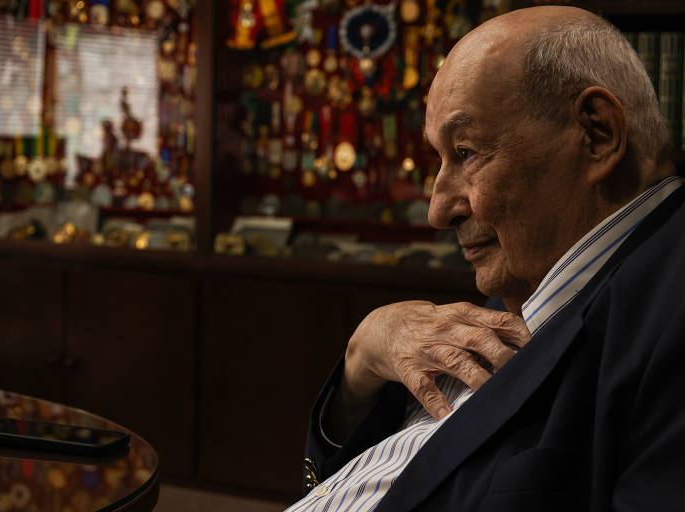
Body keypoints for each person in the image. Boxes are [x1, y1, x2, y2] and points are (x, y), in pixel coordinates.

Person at [287, 5, 685, 512]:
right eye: (440, 158)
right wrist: (360, 364)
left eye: (467, 152)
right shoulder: (532, 283)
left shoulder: (665, 314)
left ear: (597, 134)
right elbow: (340, 483)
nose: (436, 210)